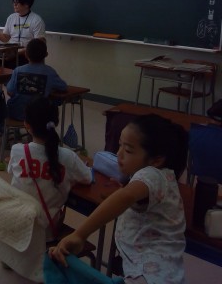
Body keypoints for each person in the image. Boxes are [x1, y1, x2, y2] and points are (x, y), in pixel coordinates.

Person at [50, 114, 188, 284]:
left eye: (128, 150)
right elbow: (131, 196)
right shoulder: (157, 178)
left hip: (151, 275)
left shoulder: (153, 174)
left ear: (156, 160)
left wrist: (80, 235)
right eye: (120, 145)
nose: (118, 154)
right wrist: (125, 190)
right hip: (151, 271)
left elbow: (126, 197)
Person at [8, 97, 92, 241]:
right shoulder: (68, 157)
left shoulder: (17, 150)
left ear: (26, 125)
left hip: (17, 229)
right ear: (56, 123)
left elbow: (12, 171)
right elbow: (88, 178)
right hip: (46, 234)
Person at [6, 38, 67, 121]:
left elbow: (9, 92)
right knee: (53, 103)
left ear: (26, 54)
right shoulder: (50, 72)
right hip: (38, 117)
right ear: (46, 54)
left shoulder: (18, 70)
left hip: (15, 113)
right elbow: (63, 87)